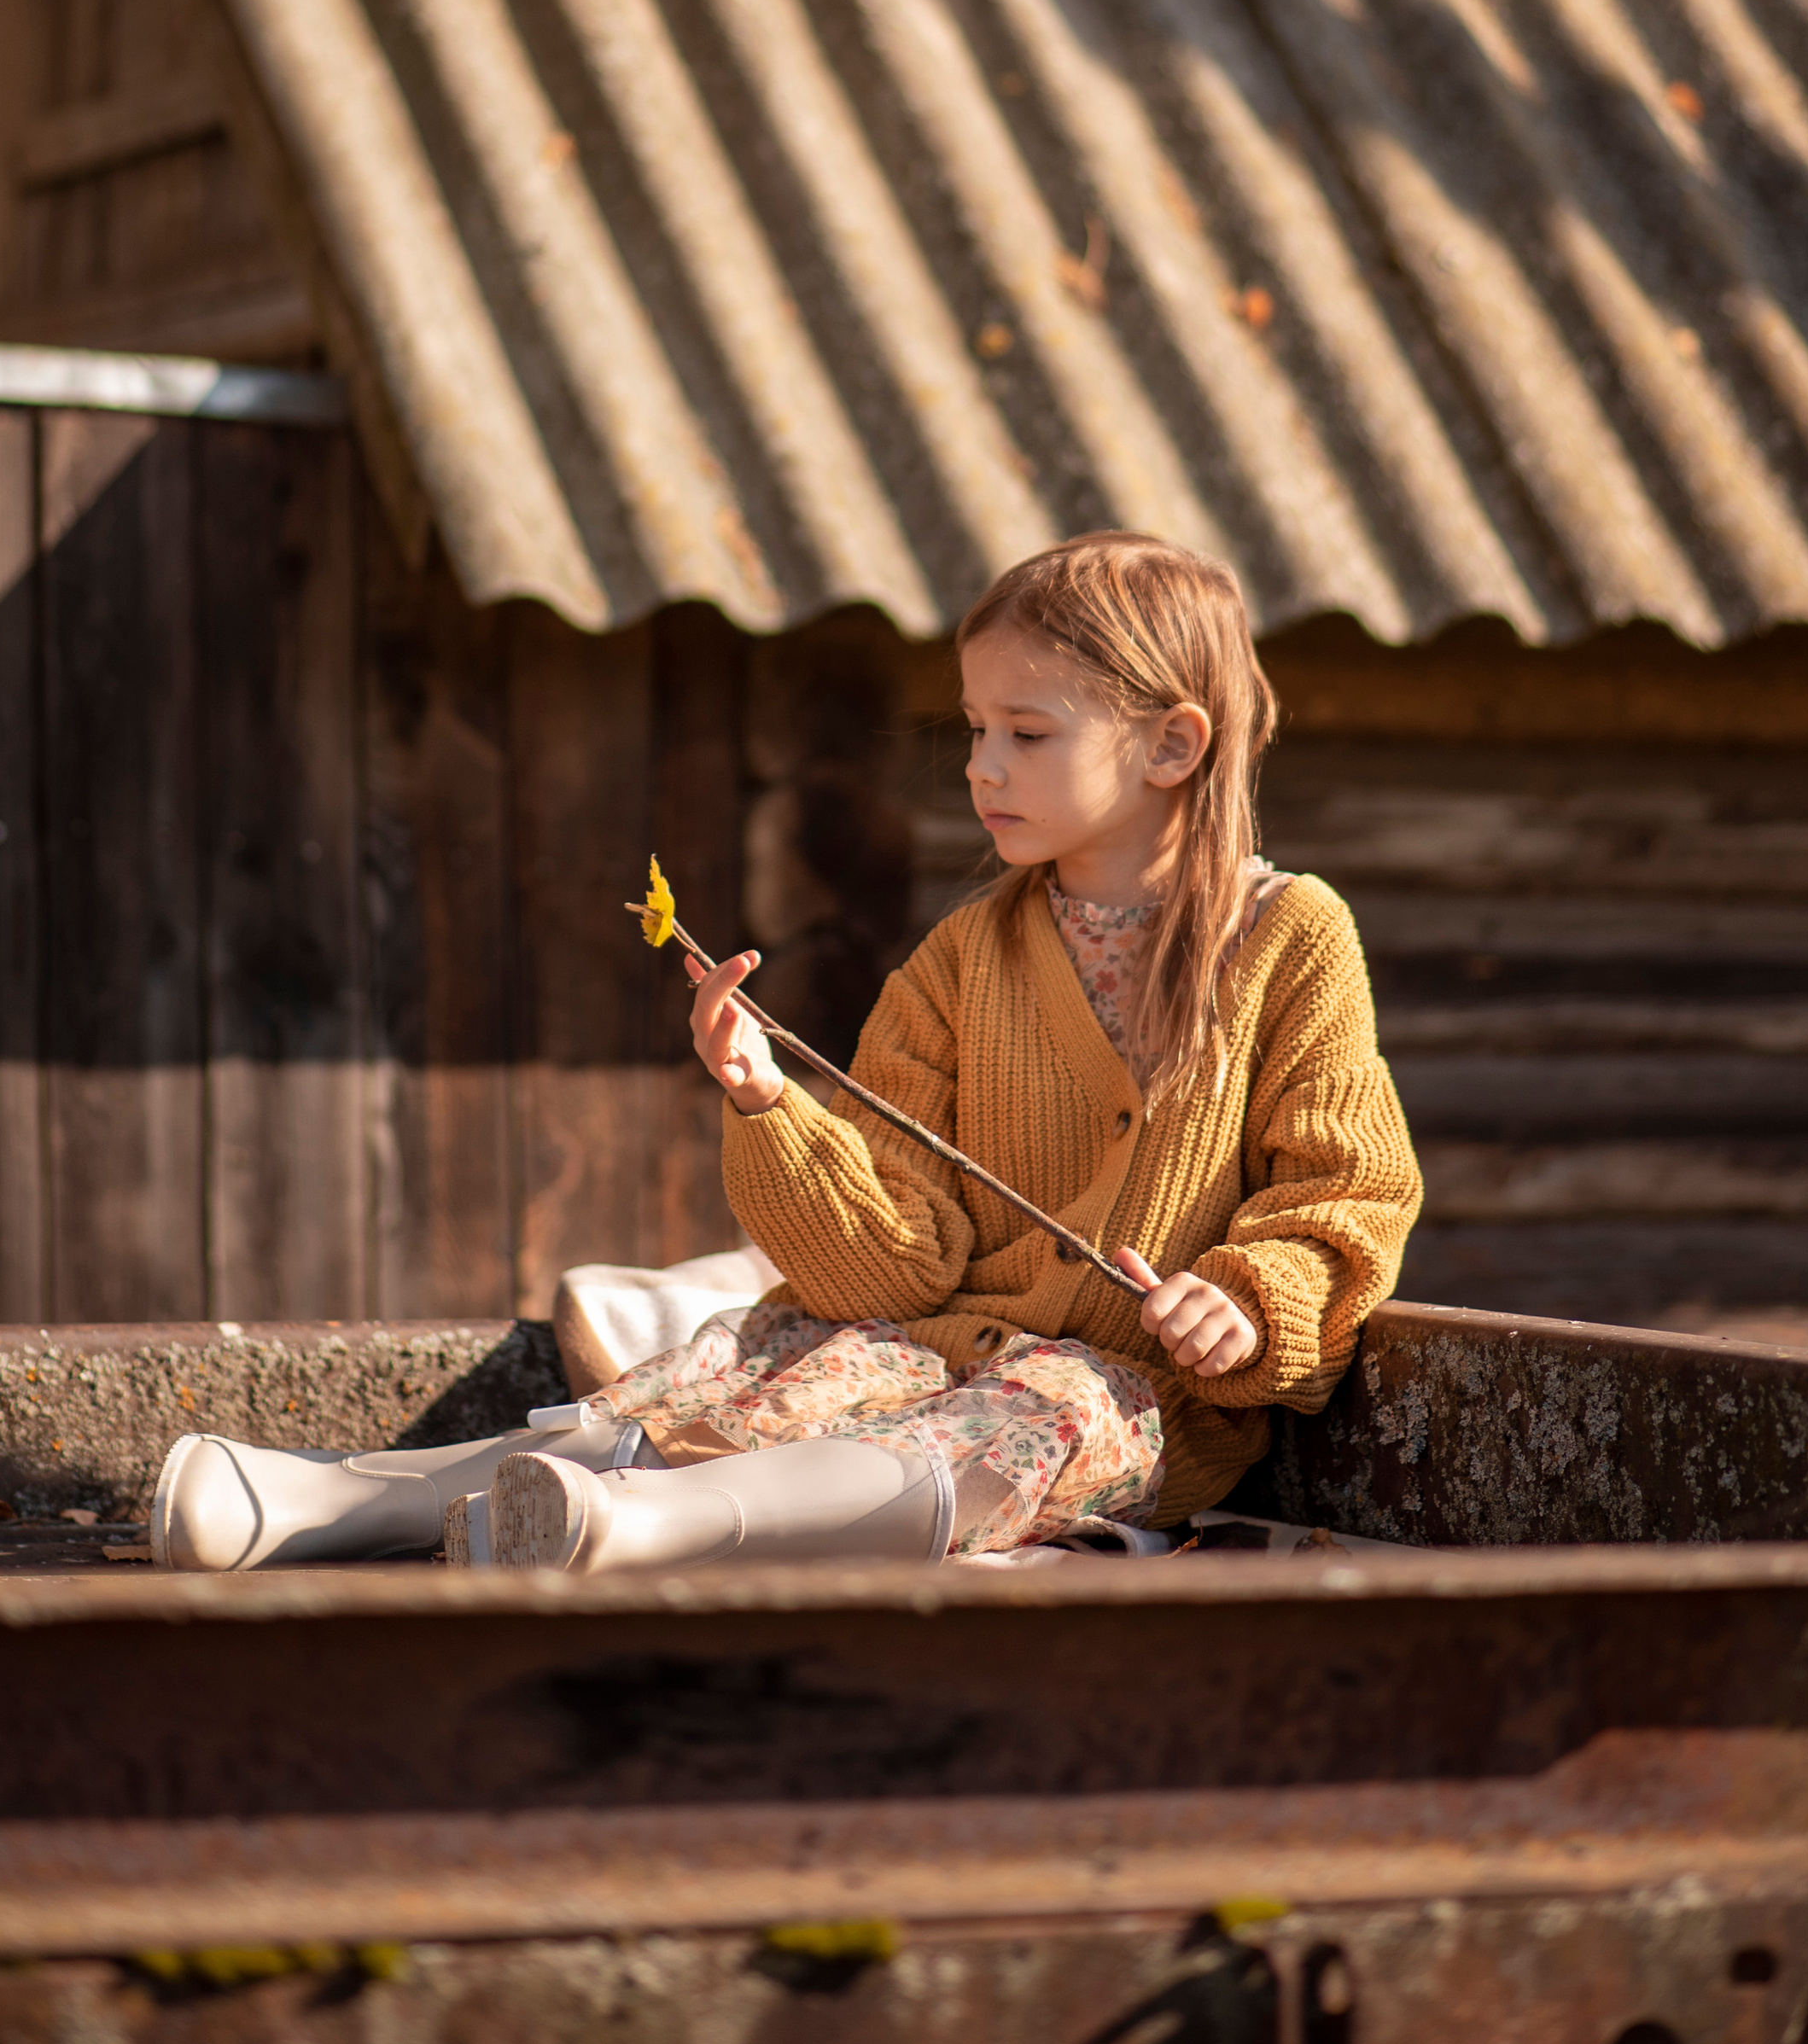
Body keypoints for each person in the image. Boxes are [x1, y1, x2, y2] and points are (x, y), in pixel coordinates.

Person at [150, 529, 1420, 1580]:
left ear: (1173, 744)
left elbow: (1345, 1192)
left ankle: (635, 1529)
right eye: (974, 729)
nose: (982, 767)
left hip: (1135, 1393)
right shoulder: (957, 959)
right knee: (763, 1362)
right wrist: (770, 1108)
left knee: (1042, 1417)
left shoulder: (1292, 939)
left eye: (1026, 733)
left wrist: (1245, 1301)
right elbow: (892, 1263)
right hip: (934, 1338)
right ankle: (332, 1499)